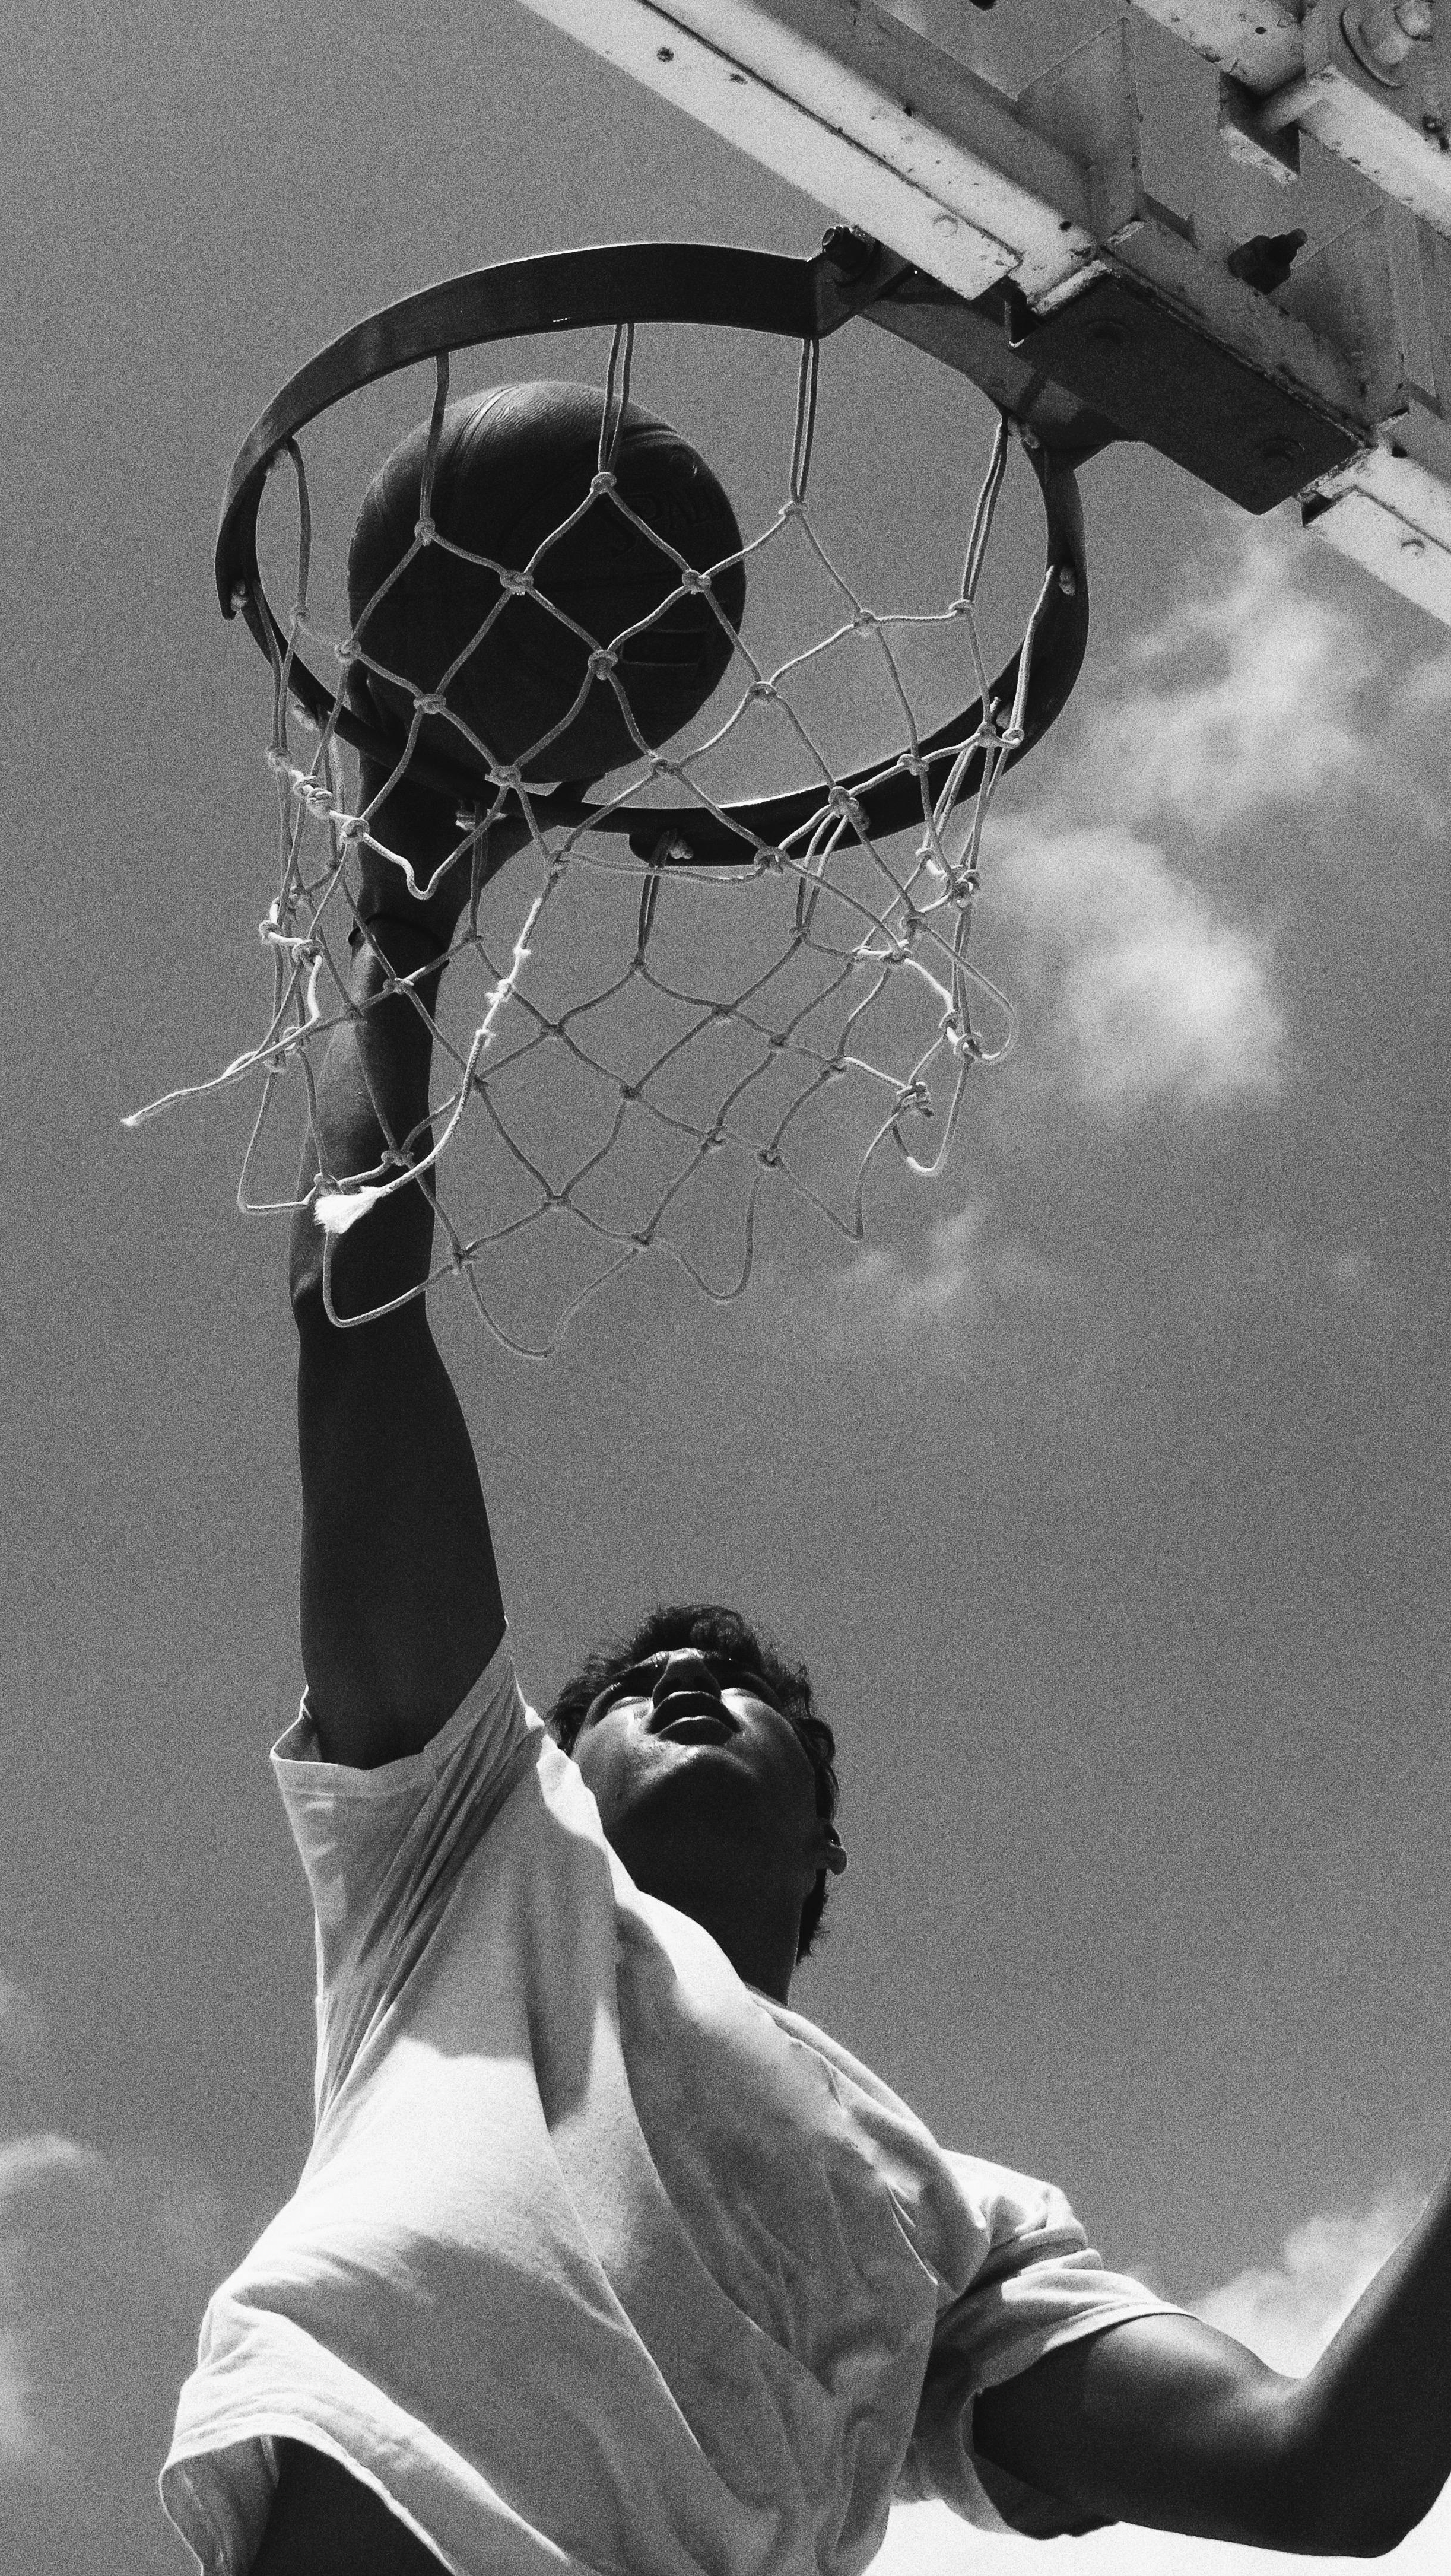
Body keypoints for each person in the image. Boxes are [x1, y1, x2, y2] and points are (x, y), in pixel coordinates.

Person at [161, 754, 1451, 2576]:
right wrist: (399, 940)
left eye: (741, 1689)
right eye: (627, 1692)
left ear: (820, 1849)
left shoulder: (954, 2227)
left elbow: (1319, 2478)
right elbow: (353, 1329)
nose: (686, 1686)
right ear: (555, 1766)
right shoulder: (464, 1865)